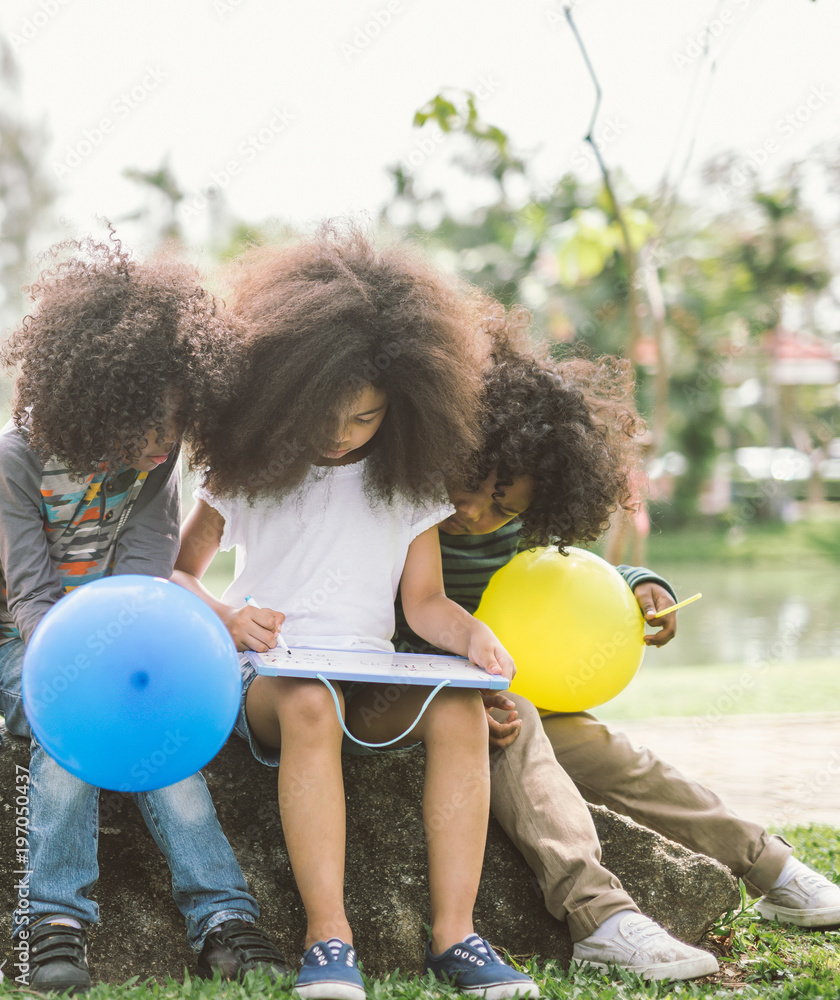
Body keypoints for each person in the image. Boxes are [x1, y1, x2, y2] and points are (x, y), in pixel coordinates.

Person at [394, 336, 840, 981]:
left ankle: (773, 868)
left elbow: (572, 577)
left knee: (619, 760)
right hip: (427, 702)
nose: (473, 511)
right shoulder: (405, 517)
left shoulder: (523, 531)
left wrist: (638, 583)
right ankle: (601, 918)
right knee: (514, 716)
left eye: (504, 505)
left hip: (513, 697)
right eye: (469, 484)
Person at [173, 227, 540, 1000]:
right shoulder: (247, 474)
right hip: (272, 676)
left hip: (368, 670)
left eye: (366, 419)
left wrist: (472, 637)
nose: (344, 436)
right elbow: (176, 576)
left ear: (401, 406)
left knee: (460, 712)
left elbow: (426, 605)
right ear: (290, 390)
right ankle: (328, 937)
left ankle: (456, 936)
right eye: (329, 416)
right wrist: (227, 619)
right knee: (310, 704)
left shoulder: (407, 483)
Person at [0, 238, 288, 993]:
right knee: (71, 732)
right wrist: (76, 670)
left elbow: (144, 578)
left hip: (117, 635)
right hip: (26, 642)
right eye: (149, 427)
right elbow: (29, 596)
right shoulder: (16, 460)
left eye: (176, 429)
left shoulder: (156, 465)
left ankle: (225, 918)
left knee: (164, 737)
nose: (164, 445)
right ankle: (51, 922)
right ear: (100, 403)